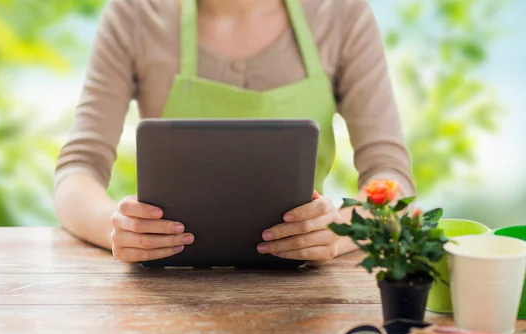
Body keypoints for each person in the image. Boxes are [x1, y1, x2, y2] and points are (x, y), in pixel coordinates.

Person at [54, 0, 415, 266]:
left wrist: (339, 229)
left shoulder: (342, 13)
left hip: (299, 289)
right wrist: (117, 228)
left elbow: (391, 175)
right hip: (169, 293)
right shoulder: (135, 13)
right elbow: (77, 170)